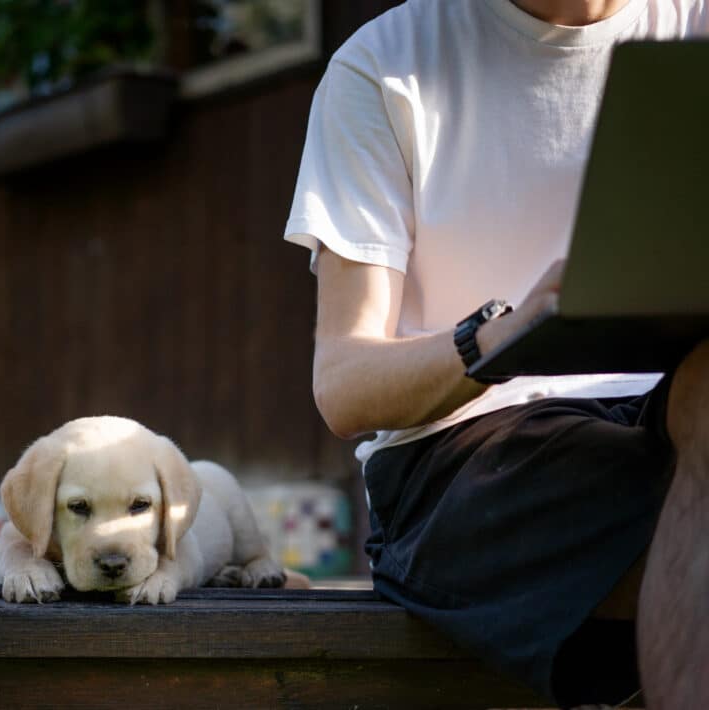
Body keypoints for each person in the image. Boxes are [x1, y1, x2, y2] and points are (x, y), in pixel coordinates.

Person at [283, 1, 709, 707]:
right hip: (465, 454)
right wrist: (496, 338)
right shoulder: (384, 63)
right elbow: (344, 383)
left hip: (673, 416)